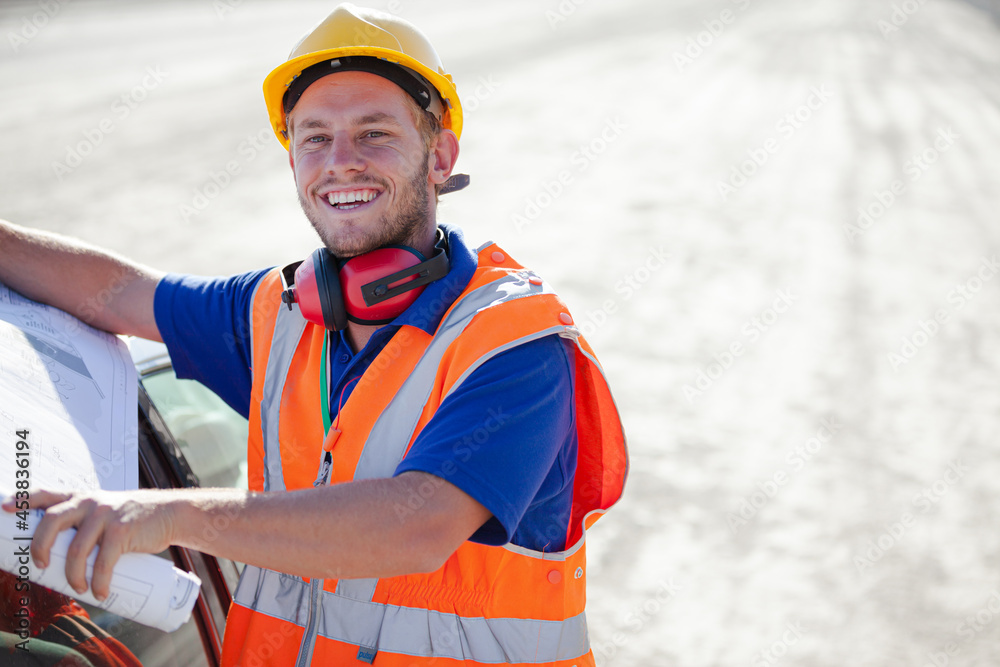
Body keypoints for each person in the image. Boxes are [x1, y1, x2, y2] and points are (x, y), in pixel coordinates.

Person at [0, 4, 628, 665]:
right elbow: (120, 291)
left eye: (374, 133)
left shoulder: (516, 342)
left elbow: (417, 526)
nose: (341, 162)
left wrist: (168, 514)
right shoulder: (275, 314)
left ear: (440, 156)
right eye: (315, 138)